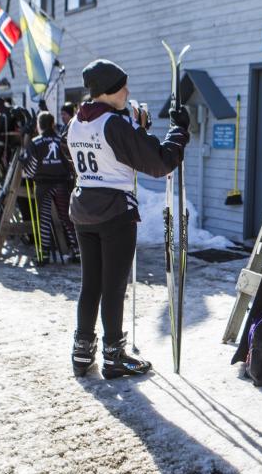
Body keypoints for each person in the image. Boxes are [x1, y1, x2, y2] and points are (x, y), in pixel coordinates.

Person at [67, 59, 190, 378]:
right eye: (123, 86)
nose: (128, 91)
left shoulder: (78, 121)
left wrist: (136, 129)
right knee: (113, 286)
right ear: (109, 91)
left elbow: (113, 151)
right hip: (114, 212)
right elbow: (159, 163)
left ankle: (82, 353)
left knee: (90, 284)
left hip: (84, 208)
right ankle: (113, 355)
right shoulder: (115, 124)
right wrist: (179, 132)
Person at [21, 111, 79, 264]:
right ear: (53, 124)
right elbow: (70, 163)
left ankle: (44, 254)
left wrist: (25, 166)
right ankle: (77, 251)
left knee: (44, 219)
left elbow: (31, 170)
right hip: (61, 183)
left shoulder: (35, 142)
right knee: (67, 217)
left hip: (43, 185)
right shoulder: (62, 140)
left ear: (39, 126)